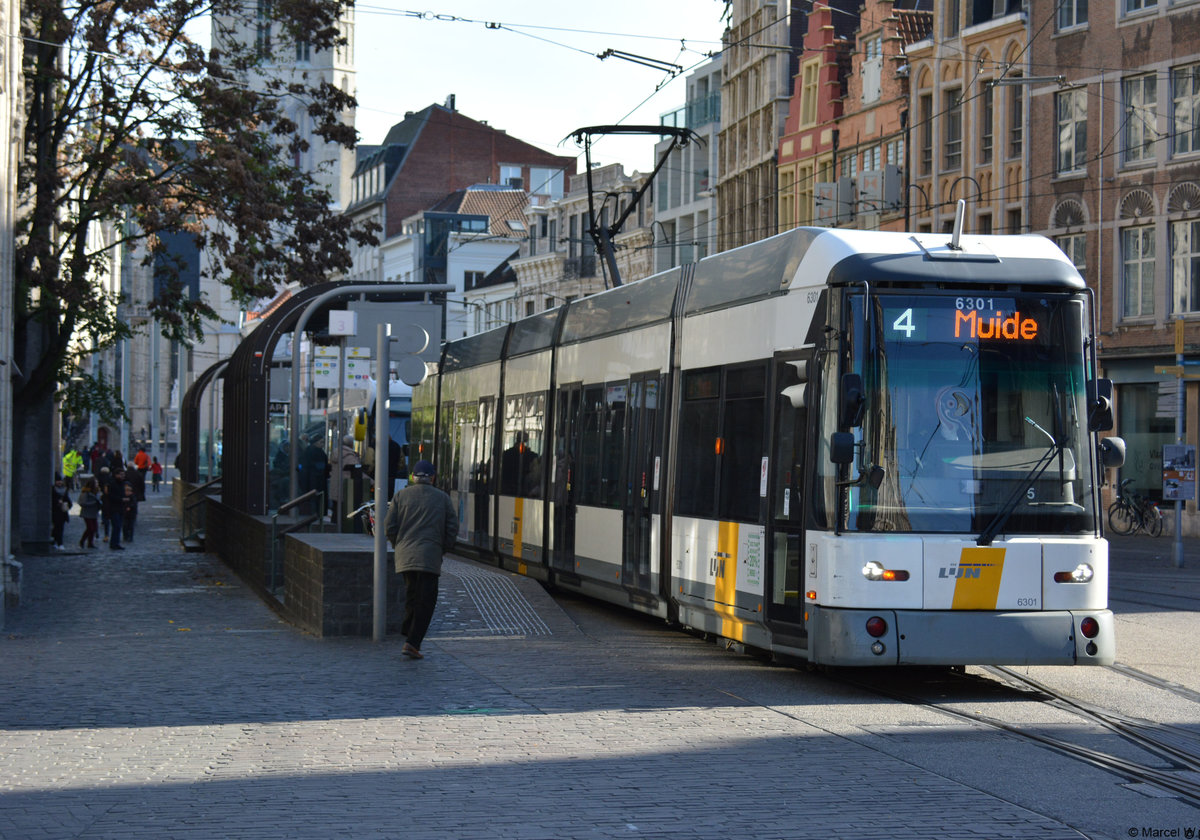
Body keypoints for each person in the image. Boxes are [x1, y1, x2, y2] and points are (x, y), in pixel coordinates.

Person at [383, 459, 458, 660]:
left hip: (405, 555)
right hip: (430, 556)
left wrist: (398, 545)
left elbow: (389, 527)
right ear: (432, 478)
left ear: (413, 477)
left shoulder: (401, 496)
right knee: (427, 601)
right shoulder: (442, 498)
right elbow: (452, 528)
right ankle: (412, 643)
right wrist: (443, 548)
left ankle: (408, 630)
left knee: (412, 594)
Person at [329, 434, 361, 526]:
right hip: (346, 487)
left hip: (336, 487)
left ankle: (334, 526)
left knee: (336, 510)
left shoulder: (336, 453)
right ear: (351, 444)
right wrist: (373, 482)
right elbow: (358, 472)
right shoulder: (349, 456)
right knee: (345, 509)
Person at [103, 466, 126, 550]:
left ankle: (116, 543)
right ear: (116, 475)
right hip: (113, 508)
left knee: (118, 526)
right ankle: (113, 543)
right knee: (116, 526)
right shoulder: (112, 484)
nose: (123, 476)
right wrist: (121, 499)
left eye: (123, 475)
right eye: (121, 475)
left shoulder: (122, 483)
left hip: (120, 508)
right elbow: (110, 496)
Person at [77, 478, 101, 548]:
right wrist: (93, 503)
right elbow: (82, 503)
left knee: (94, 528)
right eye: (96, 483)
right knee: (90, 528)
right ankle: (82, 541)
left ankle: (90, 543)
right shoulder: (85, 493)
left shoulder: (97, 492)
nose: (97, 484)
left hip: (94, 512)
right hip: (87, 513)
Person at [50, 475, 72, 550]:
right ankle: (57, 542)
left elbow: (69, 501)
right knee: (56, 528)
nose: (59, 482)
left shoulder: (64, 490)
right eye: (58, 481)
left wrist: (67, 504)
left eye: (60, 481)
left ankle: (58, 542)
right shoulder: (52, 490)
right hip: (55, 512)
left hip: (62, 512)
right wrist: (57, 502)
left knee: (60, 528)